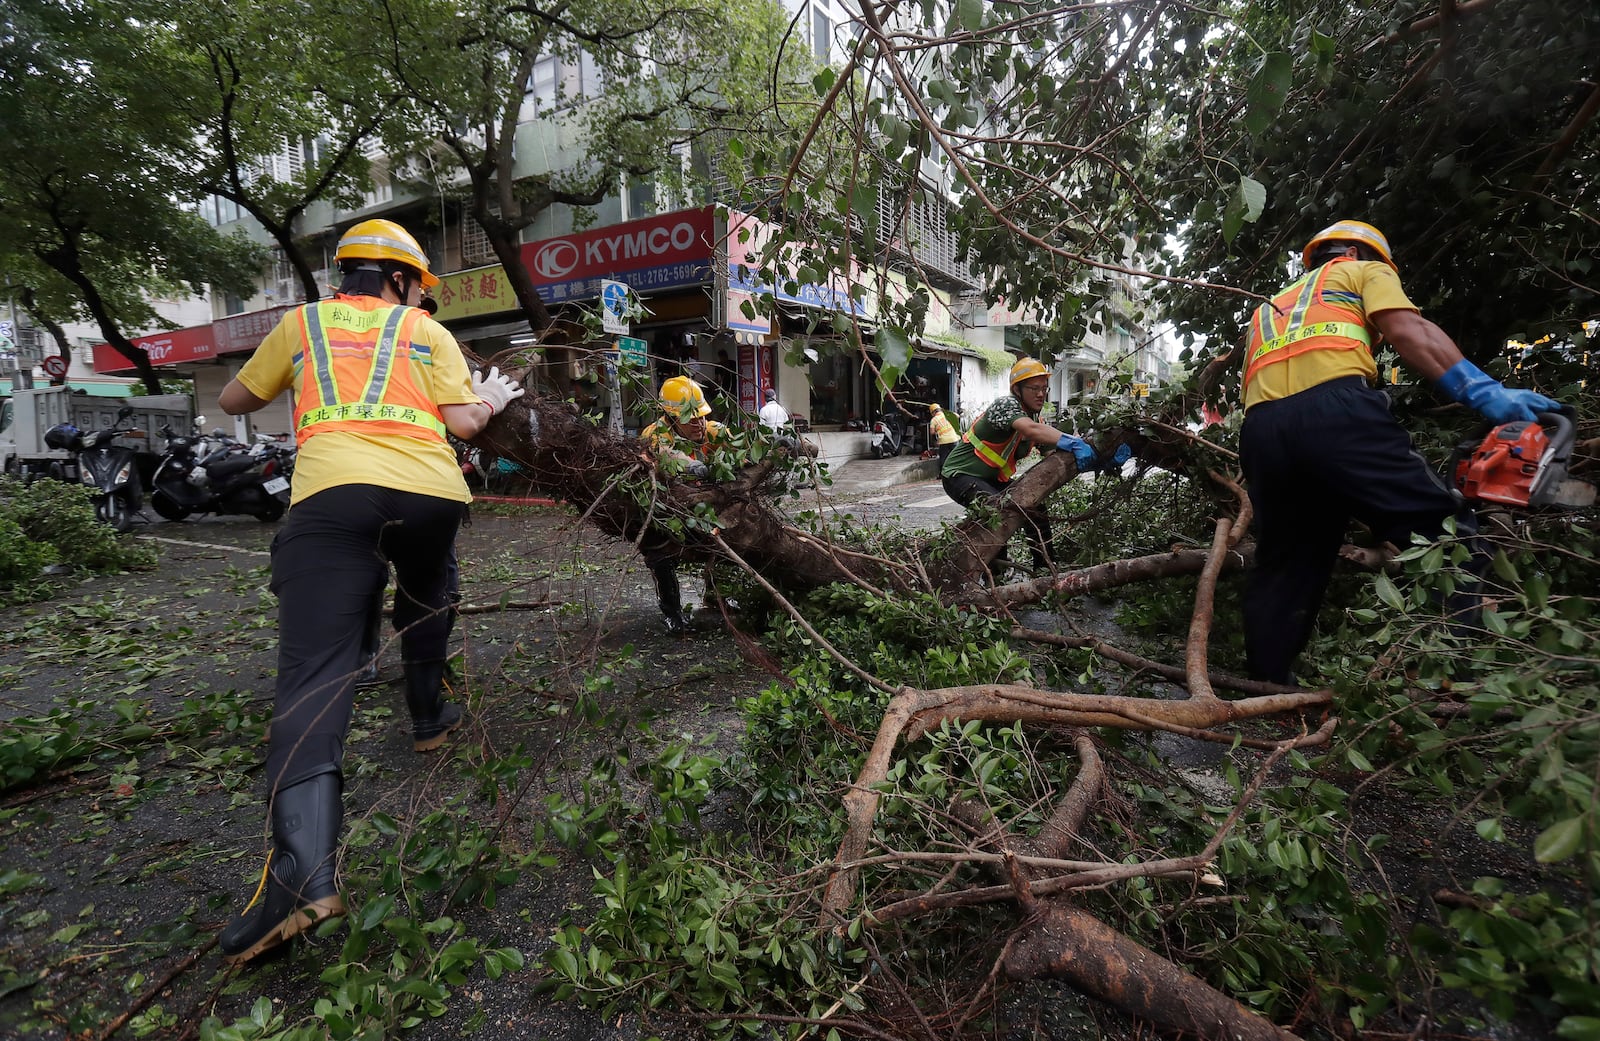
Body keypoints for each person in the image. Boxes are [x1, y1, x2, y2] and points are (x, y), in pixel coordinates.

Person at [213, 218, 525, 964]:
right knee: (427, 591)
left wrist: (287, 379)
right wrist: (489, 399)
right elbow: (464, 423)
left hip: (334, 497)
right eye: (420, 284)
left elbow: (232, 400)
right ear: (399, 279)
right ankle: (429, 715)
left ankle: (302, 874)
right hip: (430, 493)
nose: (422, 295)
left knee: (317, 673)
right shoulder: (428, 333)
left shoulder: (303, 326)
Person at [1239, 219, 1561, 685]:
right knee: (1444, 533)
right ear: (1358, 253)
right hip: (1337, 412)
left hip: (1262, 430)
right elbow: (1412, 332)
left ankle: (1264, 685)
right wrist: (1486, 393)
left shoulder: (1270, 308)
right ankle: (1454, 677)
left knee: (1289, 558)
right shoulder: (1360, 272)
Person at [941, 357, 1125, 571]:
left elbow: (1053, 456)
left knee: (1034, 507)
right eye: (1034, 388)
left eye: (1044, 388)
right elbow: (1030, 430)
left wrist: (1100, 460)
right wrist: (1072, 441)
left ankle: (1045, 567)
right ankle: (994, 575)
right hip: (959, 475)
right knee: (997, 512)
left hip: (989, 479)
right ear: (1017, 390)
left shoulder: (1035, 421)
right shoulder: (1006, 405)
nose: (1041, 394)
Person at [639, 376, 728, 633]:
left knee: (725, 538)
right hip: (664, 514)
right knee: (659, 555)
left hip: (703, 510)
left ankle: (716, 595)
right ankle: (672, 614)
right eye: (692, 417)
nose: (699, 422)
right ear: (672, 417)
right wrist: (690, 466)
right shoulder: (655, 434)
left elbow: (741, 443)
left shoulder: (712, 431)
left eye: (702, 416)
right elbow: (665, 453)